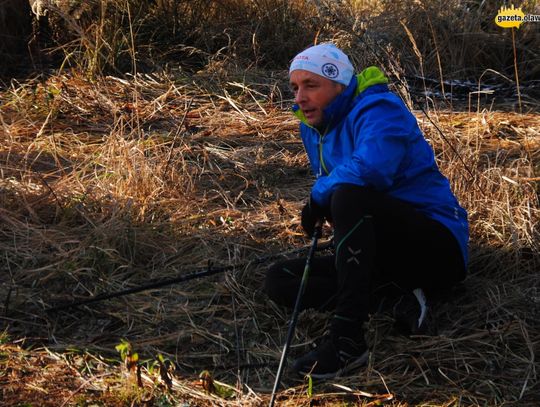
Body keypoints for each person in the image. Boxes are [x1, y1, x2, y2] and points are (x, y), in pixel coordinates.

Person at [264, 43, 468, 379]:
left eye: (311, 85)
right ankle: (399, 294)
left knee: (347, 196)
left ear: (340, 85)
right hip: (383, 252)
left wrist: (318, 198)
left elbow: (371, 171)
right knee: (281, 281)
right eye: (295, 87)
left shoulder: (379, 108)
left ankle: (347, 340)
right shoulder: (315, 125)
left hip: (437, 246)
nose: (299, 97)